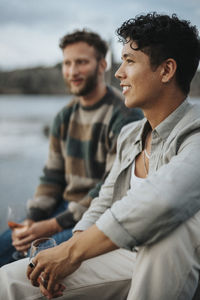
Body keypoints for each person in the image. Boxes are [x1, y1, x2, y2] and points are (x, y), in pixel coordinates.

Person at [1, 12, 200, 300]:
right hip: (121, 250)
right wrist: (74, 251)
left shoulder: (195, 132)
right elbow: (104, 200)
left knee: (168, 234)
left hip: (166, 255)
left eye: (130, 62)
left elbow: (164, 199)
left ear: (167, 70)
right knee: (10, 281)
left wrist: (71, 249)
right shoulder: (130, 135)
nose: (119, 74)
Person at [0, 29, 142, 267]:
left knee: (34, 259)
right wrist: (32, 220)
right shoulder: (65, 116)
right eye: (67, 63)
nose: (72, 71)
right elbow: (51, 177)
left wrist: (52, 225)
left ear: (102, 65)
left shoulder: (125, 116)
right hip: (62, 209)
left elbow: (109, 188)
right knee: (9, 242)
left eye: (81, 62)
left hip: (95, 217)